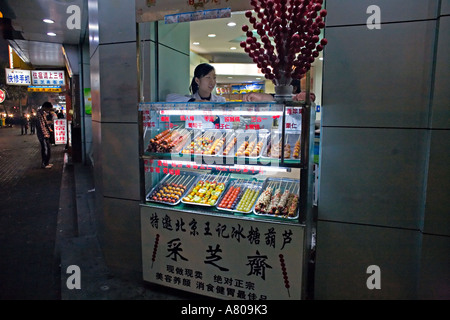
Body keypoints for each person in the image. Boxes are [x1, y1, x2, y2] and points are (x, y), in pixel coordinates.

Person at [242, 78, 316, 102]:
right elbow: (271, 97)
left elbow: (310, 97)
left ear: (294, 88)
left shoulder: (303, 97)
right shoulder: (278, 98)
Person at [36, 102, 54, 169]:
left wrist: (49, 130)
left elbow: (45, 123)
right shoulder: (39, 114)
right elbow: (41, 125)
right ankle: (44, 164)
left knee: (47, 148)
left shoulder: (43, 113)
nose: (48, 110)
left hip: (45, 134)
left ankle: (46, 162)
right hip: (42, 134)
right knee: (45, 149)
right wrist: (45, 134)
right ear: (45, 107)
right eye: (48, 109)